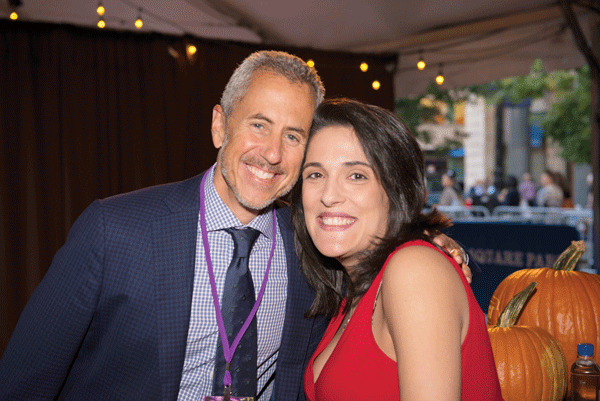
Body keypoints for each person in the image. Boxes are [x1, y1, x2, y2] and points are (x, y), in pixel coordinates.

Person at [0, 51, 473, 400]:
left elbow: (382, 281)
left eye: (294, 136)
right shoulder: (114, 231)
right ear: (219, 126)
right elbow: (24, 383)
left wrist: (421, 241)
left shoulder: (315, 245)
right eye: (258, 125)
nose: (271, 153)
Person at [290, 99, 503, 400]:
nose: (328, 195)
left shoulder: (414, 270)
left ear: (397, 190)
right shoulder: (351, 289)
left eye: (356, 176)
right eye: (315, 174)